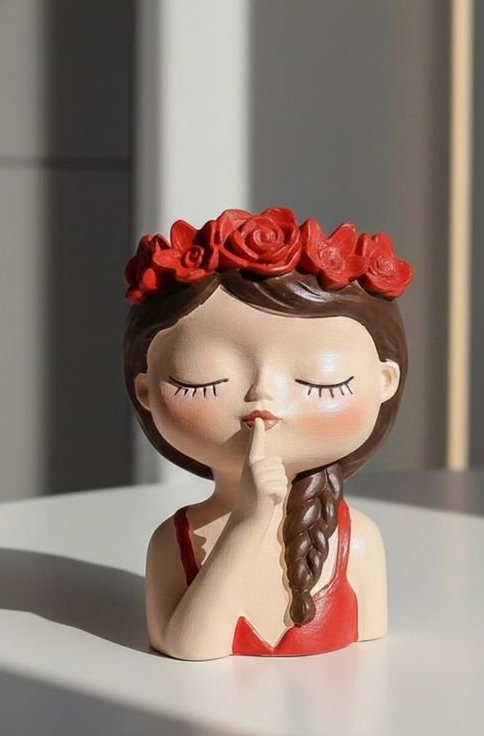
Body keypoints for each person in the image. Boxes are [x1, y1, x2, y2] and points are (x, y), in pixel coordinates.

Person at [122, 207, 413, 660]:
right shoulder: (172, 543)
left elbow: (371, 652)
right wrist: (247, 520)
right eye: (204, 380)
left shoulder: (357, 541)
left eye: (320, 381)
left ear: (384, 383)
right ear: (146, 390)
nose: (263, 396)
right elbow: (189, 649)